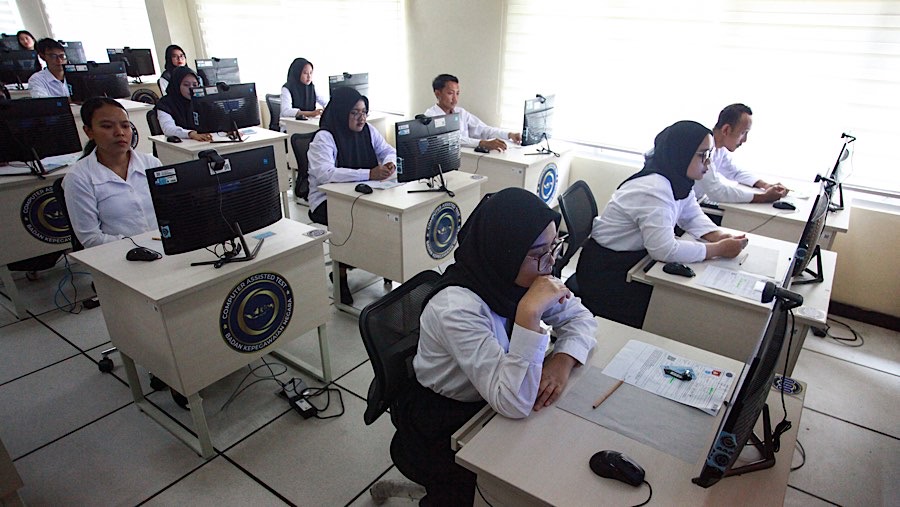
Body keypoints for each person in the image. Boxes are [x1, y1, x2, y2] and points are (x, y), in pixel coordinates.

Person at [391, 187, 598, 505]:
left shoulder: (519, 277)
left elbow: (582, 319)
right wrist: (530, 313)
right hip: (444, 419)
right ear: (505, 251)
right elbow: (514, 403)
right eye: (538, 252)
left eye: (553, 246)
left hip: (494, 396)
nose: (550, 263)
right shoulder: (457, 307)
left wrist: (562, 361)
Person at [575, 120, 749, 328]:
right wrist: (717, 249)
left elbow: (692, 215)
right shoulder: (654, 188)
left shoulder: (677, 180)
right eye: (703, 155)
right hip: (607, 272)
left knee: (676, 296)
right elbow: (664, 250)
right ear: (681, 153)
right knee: (672, 305)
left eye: (709, 154)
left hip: (631, 259)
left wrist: (719, 236)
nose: (709, 163)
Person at [307, 87, 396, 304]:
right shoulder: (325, 137)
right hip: (326, 200)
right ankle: (341, 275)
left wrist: (388, 163)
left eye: (364, 112)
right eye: (355, 113)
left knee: (389, 216)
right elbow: (325, 174)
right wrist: (369, 173)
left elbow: (387, 150)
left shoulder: (368, 130)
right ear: (341, 111)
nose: (361, 118)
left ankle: (378, 263)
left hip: (363, 193)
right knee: (351, 220)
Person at [62, 98, 160, 248]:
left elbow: (170, 212)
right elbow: (91, 239)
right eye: (107, 126)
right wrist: (142, 244)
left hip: (163, 247)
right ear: (89, 132)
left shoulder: (151, 163)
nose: (120, 133)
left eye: (125, 126)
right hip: (119, 256)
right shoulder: (78, 178)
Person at [693, 103, 788, 204]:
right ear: (726, 130)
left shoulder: (719, 149)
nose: (745, 140)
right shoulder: (703, 150)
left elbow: (735, 172)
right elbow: (717, 191)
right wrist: (764, 197)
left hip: (696, 202)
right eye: (743, 133)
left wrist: (766, 185)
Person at [425, 74, 522, 152]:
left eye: (457, 93)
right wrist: (482, 143)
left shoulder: (461, 113)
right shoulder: (430, 116)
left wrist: (509, 135)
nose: (455, 99)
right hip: (442, 164)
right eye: (450, 93)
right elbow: (451, 140)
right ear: (438, 93)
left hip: (466, 159)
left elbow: (484, 130)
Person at [154, 66, 212, 142]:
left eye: (195, 85)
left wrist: (226, 129)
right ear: (177, 85)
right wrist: (190, 134)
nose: (191, 88)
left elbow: (213, 122)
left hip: (202, 143)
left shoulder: (201, 101)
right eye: (186, 85)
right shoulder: (165, 104)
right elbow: (168, 129)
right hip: (176, 148)